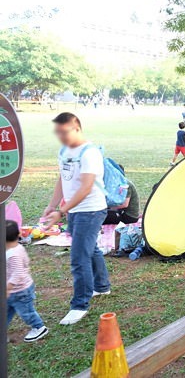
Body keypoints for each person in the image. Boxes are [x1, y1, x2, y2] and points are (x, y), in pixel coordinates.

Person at [43, 112, 111, 325]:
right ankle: (102, 286)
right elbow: (62, 179)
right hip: (74, 210)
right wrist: (52, 205)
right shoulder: (64, 150)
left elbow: (86, 187)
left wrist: (61, 211)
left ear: (77, 128)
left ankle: (79, 305)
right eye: (58, 133)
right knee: (89, 249)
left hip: (90, 210)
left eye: (65, 132)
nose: (61, 137)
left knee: (79, 257)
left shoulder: (90, 153)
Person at [6, 220, 49, 342]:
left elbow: (18, 273)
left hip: (20, 290)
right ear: (19, 233)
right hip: (12, 290)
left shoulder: (13, 254)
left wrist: (8, 287)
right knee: (5, 311)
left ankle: (39, 327)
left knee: (26, 312)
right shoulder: (16, 248)